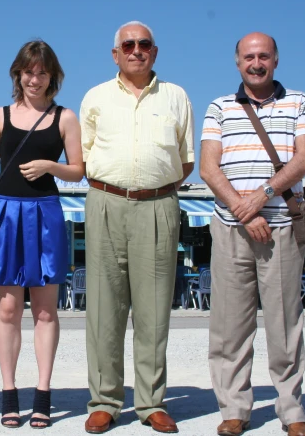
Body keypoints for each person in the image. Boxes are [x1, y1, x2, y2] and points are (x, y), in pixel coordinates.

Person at [200, 33, 305, 436]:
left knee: (285, 325)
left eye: (263, 56)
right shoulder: (219, 107)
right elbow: (208, 169)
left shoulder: (299, 102)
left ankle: (292, 411)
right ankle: (234, 408)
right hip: (232, 228)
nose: (256, 63)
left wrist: (263, 195)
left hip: (283, 228)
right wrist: (243, 209)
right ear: (237, 63)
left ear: (276, 60)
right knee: (230, 326)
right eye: (248, 57)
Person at [80, 21, 194, 434]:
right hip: (105, 202)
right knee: (104, 310)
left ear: (155, 51)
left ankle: (151, 403)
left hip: (159, 205)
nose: (136, 50)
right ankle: (105, 402)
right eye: (128, 44)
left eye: (144, 44)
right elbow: (87, 155)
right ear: (115, 54)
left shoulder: (177, 96)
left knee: (154, 311)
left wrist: (152, 188)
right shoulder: (94, 97)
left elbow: (185, 161)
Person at [0, 41, 84, 429]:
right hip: (3, 212)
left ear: (52, 76)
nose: (34, 79)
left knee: (44, 310)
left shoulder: (65, 117)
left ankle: (43, 393)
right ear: (17, 74)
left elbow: (78, 171)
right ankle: (9, 394)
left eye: (42, 72)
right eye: (28, 71)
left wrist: (50, 165)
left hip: (45, 214)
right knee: (6, 309)